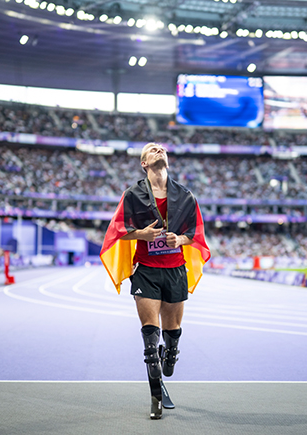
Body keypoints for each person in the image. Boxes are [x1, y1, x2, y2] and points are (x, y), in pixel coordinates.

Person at [100, 143, 211, 419]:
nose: (159, 150)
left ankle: (169, 358)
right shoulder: (133, 195)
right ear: (144, 164)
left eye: (162, 149)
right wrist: (142, 235)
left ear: (168, 161)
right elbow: (117, 232)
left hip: (175, 271)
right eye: (152, 149)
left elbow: (195, 235)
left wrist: (180, 239)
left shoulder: (185, 196)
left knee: (171, 343)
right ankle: (155, 398)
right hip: (146, 271)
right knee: (151, 342)